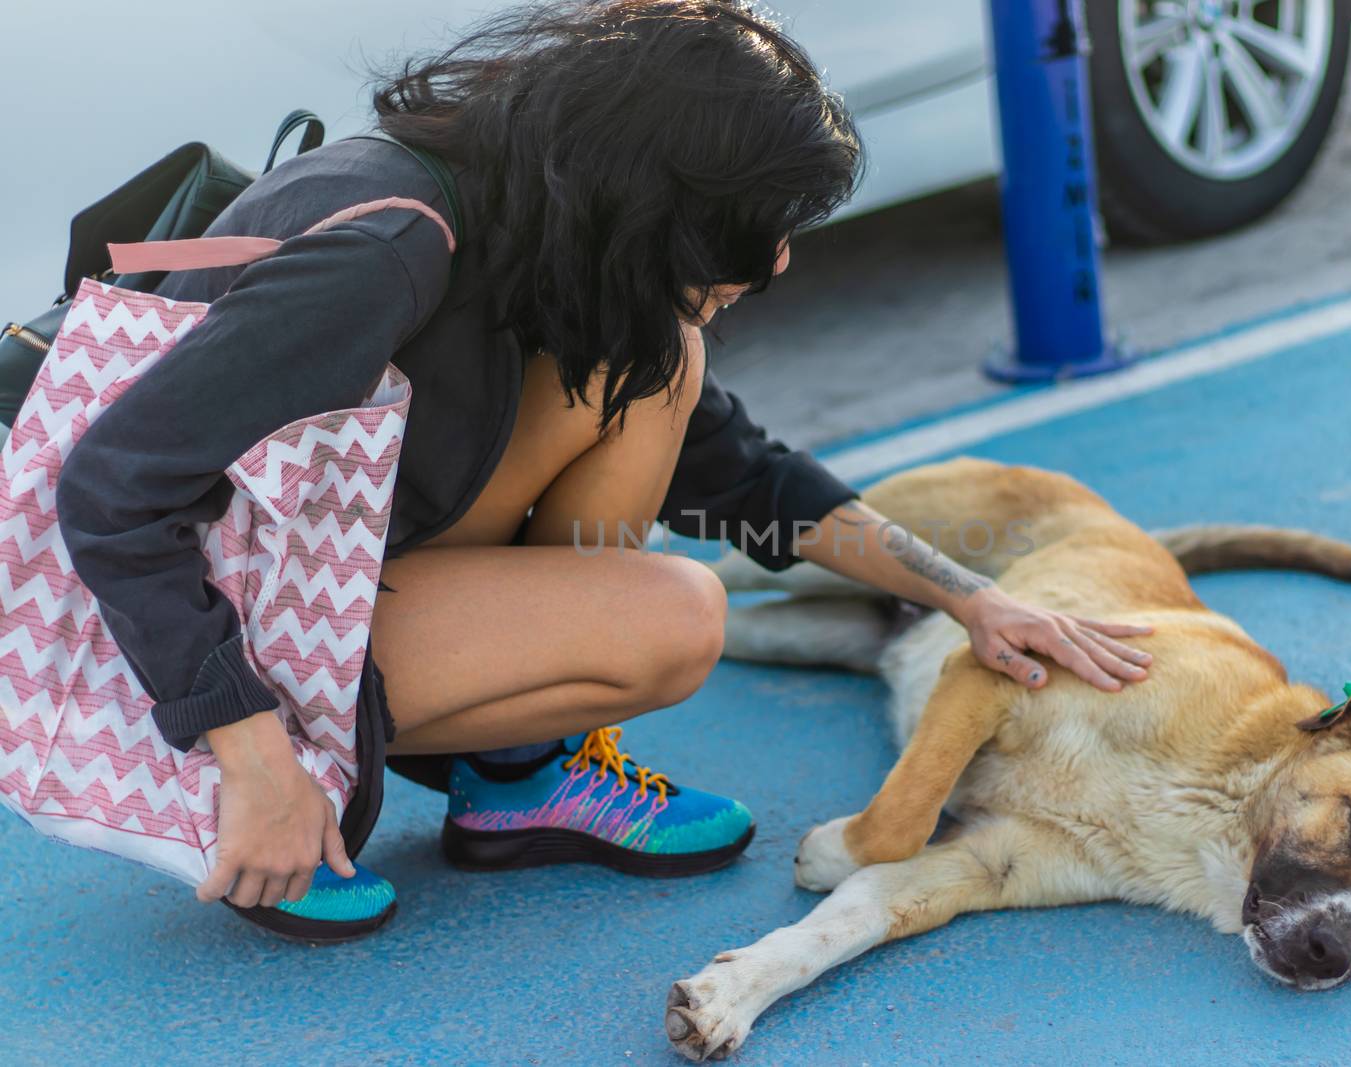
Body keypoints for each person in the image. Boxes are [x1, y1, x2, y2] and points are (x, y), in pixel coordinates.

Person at [52, 0, 1153, 941]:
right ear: (658, 195)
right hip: (161, 632)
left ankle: (515, 774)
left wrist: (971, 596)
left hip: (300, 568)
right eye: (759, 227)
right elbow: (110, 492)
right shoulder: (387, 248)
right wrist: (248, 756)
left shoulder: (527, 216)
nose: (774, 259)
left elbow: (738, 468)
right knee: (670, 615)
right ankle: (250, 791)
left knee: (660, 367)